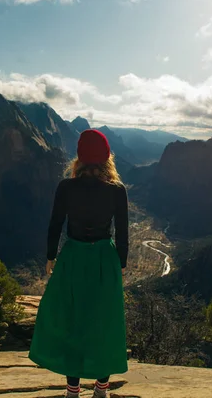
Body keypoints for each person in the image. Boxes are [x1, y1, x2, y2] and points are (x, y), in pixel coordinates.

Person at [29, 129, 129, 398]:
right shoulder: (117, 190)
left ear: (80, 157)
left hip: (73, 257)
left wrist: (51, 256)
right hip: (104, 260)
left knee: (71, 321)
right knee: (104, 323)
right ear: (107, 157)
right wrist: (121, 263)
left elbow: (55, 225)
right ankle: (101, 390)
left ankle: (72, 391)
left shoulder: (66, 187)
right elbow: (122, 231)